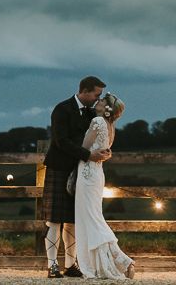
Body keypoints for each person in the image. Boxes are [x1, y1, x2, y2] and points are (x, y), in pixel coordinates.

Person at [42, 76, 111, 278]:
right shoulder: (62, 109)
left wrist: (103, 151)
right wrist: (89, 155)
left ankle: (71, 265)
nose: (98, 98)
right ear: (85, 91)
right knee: (54, 220)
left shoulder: (92, 113)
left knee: (72, 219)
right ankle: (52, 265)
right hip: (59, 168)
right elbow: (61, 141)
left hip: (80, 171)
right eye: (96, 94)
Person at [74, 92, 135, 279]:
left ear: (106, 108)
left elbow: (84, 147)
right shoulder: (110, 126)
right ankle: (117, 261)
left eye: (101, 101)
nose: (98, 101)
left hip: (88, 172)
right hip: (97, 173)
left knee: (91, 218)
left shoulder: (98, 122)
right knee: (94, 216)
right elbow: (106, 150)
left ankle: (122, 260)